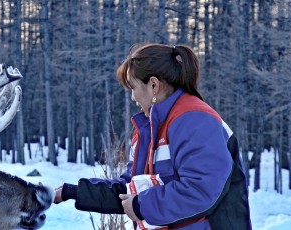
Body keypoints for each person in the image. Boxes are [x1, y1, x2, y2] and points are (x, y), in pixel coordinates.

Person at [54, 44, 251, 229]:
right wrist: (71, 192)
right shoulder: (149, 129)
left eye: (133, 87)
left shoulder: (195, 120)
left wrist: (141, 206)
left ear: (154, 85)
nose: (132, 97)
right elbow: (129, 189)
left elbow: (200, 190)